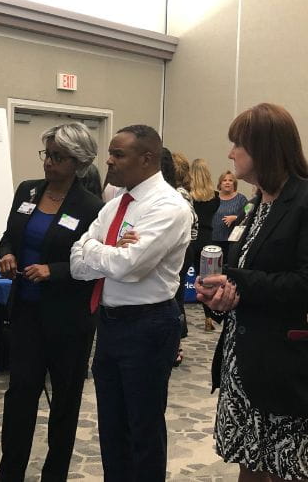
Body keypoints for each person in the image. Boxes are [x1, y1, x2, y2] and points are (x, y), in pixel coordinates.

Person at [70, 125, 191, 481]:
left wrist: (96, 250)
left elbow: (129, 268)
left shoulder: (170, 207)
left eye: (118, 154)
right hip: (110, 323)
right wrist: (104, 250)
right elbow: (77, 263)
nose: (109, 160)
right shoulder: (115, 206)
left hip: (148, 325)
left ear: (147, 159)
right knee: (111, 427)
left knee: (143, 428)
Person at [195, 103, 308, 482]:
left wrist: (238, 283)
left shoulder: (303, 202)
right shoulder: (256, 205)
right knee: (249, 464)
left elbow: (304, 283)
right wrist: (222, 297)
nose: (229, 154)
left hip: (285, 363)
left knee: (284, 468)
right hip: (243, 361)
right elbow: (246, 276)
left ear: (263, 147)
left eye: (236, 145)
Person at [0, 123, 103, 481]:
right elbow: (9, 236)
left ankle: (53, 474)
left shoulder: (90, 207)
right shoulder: (27, 191)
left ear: (79, 162)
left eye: (59, 157)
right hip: (26, 313)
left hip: (69, 320)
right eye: (48, 154)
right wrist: (7, 254)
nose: (49, 163)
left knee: (65, 403)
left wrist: (53, 271)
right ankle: (9, 473)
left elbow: (93, 263)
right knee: (20, 396)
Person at [170, 151, 198, 366]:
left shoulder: (180, 195)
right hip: (183, 249)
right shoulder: (181, 192)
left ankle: (175, 345)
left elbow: (186, 226)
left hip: (181, 250)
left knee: (175, 297)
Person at [190, 158, 221, 331]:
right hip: (207, 239)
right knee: (206, 281)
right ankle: (208, 316)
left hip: (192, 238)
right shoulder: (215, 197)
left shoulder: (189, 196)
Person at [211, 170, 248, 263]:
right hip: (213, 240)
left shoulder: (241, 199)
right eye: (224, 180)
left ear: (234, 184)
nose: (227, 182)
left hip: (232, 242)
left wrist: (235, 218)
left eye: (230, 180)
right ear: (220, 184)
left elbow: (249, 216)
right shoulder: (213, 198)